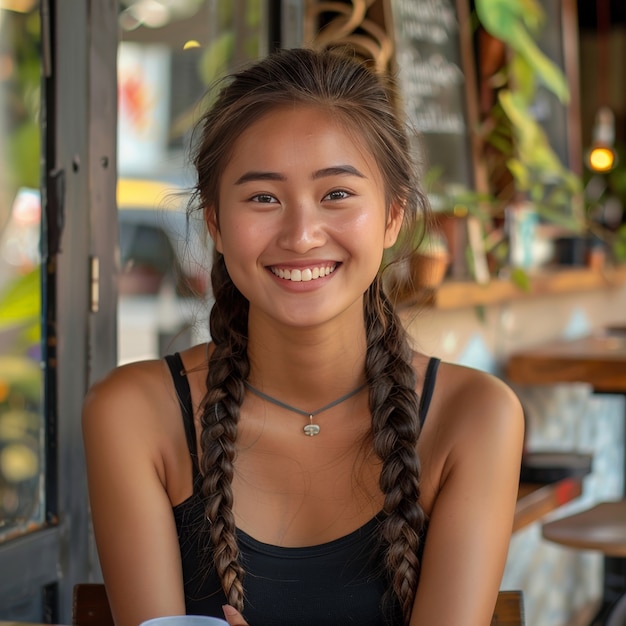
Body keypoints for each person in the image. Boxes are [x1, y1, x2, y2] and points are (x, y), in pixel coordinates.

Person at [82, 46, 524, 626]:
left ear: (393, 216)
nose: (302, 234)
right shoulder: (134, 415)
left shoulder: (475, 416)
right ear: (215, 222)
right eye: (263, 198)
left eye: (336, 194)